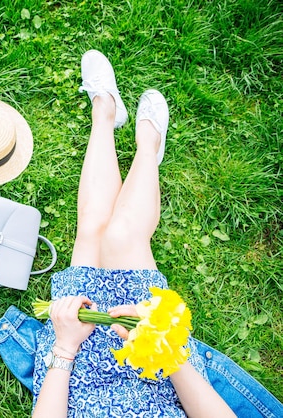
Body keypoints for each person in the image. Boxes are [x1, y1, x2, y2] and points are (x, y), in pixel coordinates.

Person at [30, 50, 236, 417]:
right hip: (158, 377)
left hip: (77, 377)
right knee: (121, 235)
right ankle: (147, 147)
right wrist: (164, 349)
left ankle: (105, 113)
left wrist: (63, 348)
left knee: (93, 230)